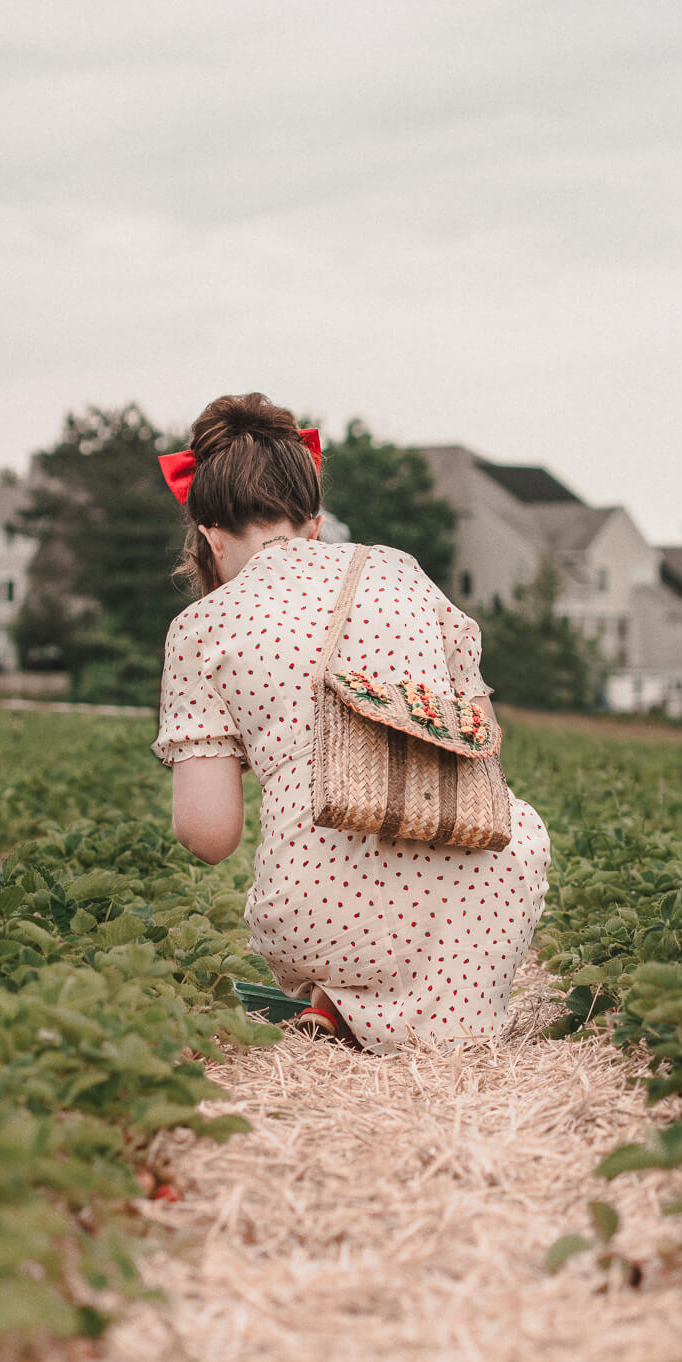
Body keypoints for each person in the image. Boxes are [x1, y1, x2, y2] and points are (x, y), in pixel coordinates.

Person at [152, 392, 551, 1052]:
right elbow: (480, 751)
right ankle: (414, 1017)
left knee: (322, 885)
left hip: (318, 914)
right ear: (314, 525)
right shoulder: (406, 577)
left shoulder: (201, 629)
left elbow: (209, 835)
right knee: (518, 836)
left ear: (210, 537)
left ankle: (343, 1005)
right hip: (478, 887)